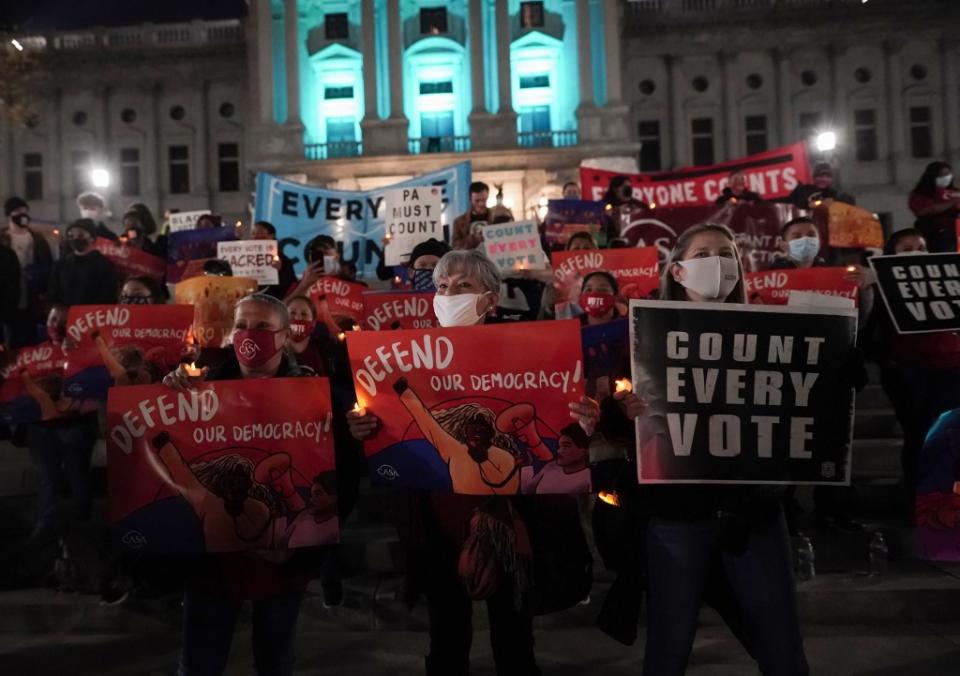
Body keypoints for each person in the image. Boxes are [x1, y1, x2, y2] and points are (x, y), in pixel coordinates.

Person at [347, 249, 599, 676]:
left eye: (463, 286)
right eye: (443, 286)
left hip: (514, 520)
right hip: (437, 520)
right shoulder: (408, 355)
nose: (449, 294)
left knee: (515, 636)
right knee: (446, 636)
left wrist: (584, 419)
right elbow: (412, 424)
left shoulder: (532, 352)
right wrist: (365, 428)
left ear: (491, 299)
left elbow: (557, 426)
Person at [636, 223, 809, 676]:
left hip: (754, 512)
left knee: (782, 653)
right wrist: (617, 413)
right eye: (704, 253)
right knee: (667, 654)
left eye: (727, 252)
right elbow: (627, 428)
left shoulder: (774, 335)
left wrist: (836, 371)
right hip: (678, 515)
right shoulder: (645, 340)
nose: (718, 262)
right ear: (677, 270)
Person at [163, 293, 330, 676]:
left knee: (275, 660)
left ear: (285, 336)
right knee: (200, 663)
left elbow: (337, 478)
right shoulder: (199, 390)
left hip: (284, 560)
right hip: (212, 565)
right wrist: (170, 394)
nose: (249, 334)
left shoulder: (315, 394)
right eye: (241, 326)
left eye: (263, 327)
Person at [862, 228, 960, 512]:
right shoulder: (881, 286)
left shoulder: (948, 280)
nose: (915, 251)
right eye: (905, 249)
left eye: (920, 246)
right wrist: (871, 290)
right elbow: (870, 330)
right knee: (919, 433)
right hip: (907, 369)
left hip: (951, 366)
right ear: (892, 255)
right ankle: (920, 498)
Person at [24, 304, 98, 544]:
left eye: (62, 321)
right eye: (52, 319)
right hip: (42, 428)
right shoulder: (32, 354)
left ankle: (82, 527)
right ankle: (45, 527)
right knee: (48, 478)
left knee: (77, 477)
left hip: (73, 426)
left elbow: (95, 391)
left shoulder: (86, 353)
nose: (55, 325)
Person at [2, 196, 54, 347]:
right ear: (10, 214)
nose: (23, 215)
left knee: (33, 340)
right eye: (18, 211)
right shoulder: (3, 239)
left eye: (25, 211)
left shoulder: (38, 240)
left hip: (33, 298)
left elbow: (48, 267)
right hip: (9, 300)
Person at [49, 219, 119, 307]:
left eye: (80, 235)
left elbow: (107, 295)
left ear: (92, 238)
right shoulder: (60, 265)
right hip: (67, 317)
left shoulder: (105, 266)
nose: (75, 239)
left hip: (93, 317)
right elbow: (53, 292)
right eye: (70, 236)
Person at [908, 161, 960, 253]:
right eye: (942, 174)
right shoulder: (922, 193)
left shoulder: (955, 191)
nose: (946, 177)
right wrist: (952, 203)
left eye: (948, 174)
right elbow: (923, 210)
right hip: (941, 234)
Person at [251, 220, 296, 299]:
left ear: (271, 236)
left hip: (273, 304)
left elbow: (290, 289)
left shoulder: (284, 261)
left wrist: (279, 271)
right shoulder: (246, 259)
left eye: (260, 233)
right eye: (253, 233)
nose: (255, 237)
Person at [786, 162, 855, 210]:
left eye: (828, 176)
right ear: (814, 177)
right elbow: (793, 203)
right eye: (820, 175)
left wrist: (835, 202)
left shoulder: (835, 194)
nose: (824, 179)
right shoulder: (805, 190)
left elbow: (850, 201)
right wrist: (818, 203)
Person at [451, 181, 491, 249]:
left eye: (484, 200)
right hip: (470, 258)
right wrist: (472, 239)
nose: (481, 204)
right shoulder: (459, 221)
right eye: (477, 200)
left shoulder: (496, 217)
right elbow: (455, 247)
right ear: (470, 199)